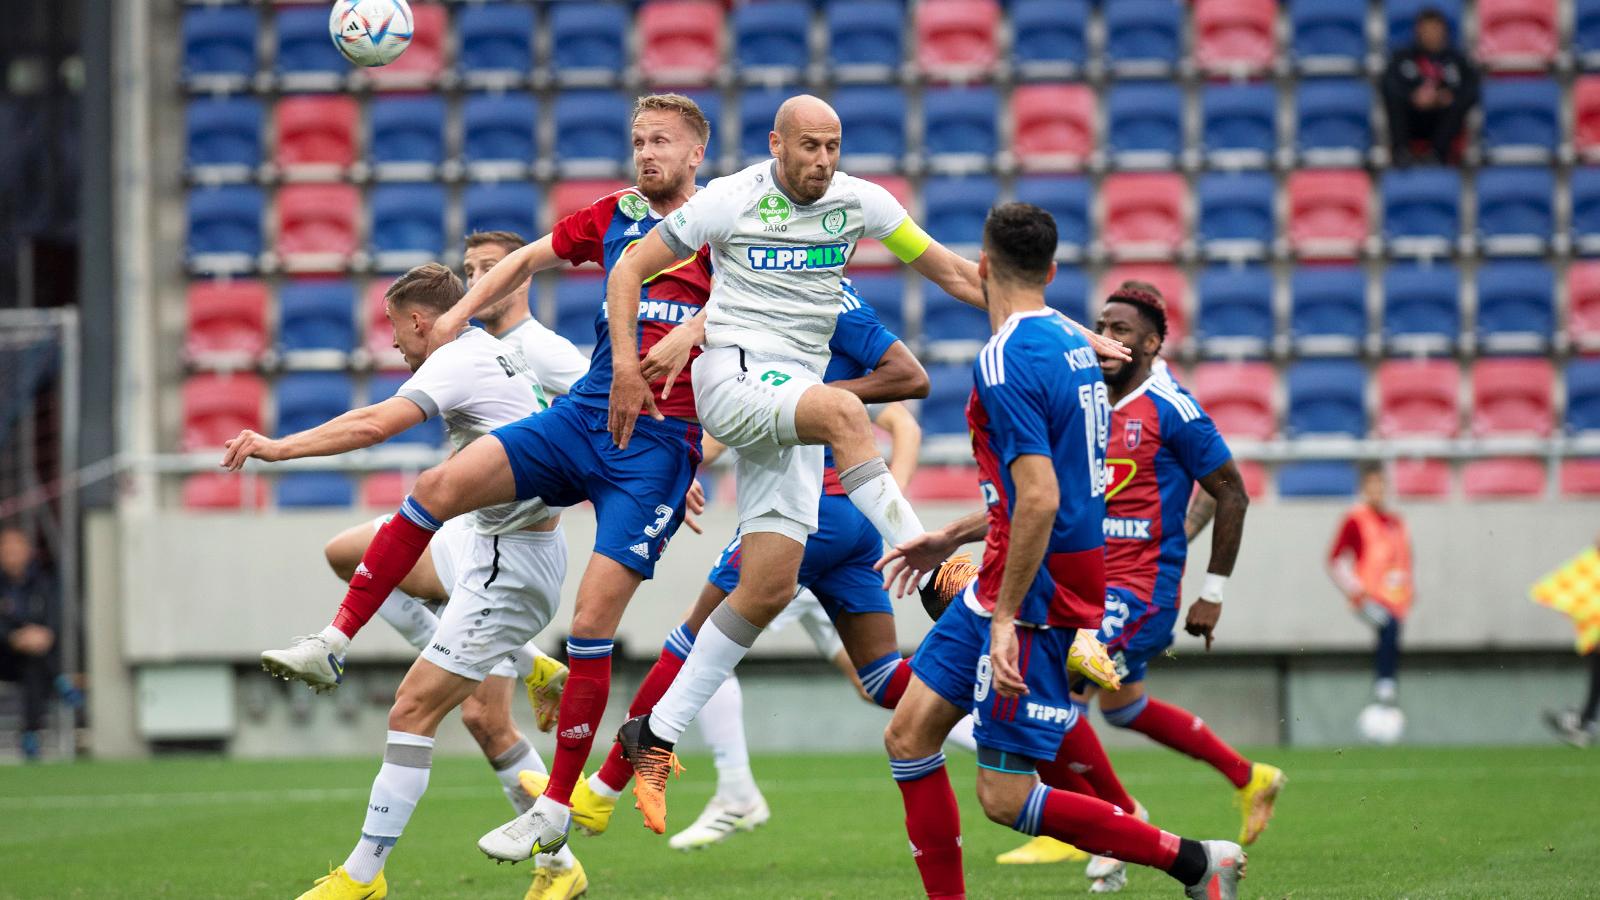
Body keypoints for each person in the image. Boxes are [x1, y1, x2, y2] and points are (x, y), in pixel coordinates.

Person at [607, 94, 1126, 837]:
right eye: (809, 146)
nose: (823, 160)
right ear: (776, 145)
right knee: (847, 413)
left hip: (790, 399)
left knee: (765, 587)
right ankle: (943, 575)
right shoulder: (730, 201)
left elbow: (957, 274)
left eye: (833, 146)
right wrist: (628, 368)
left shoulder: (861, 203)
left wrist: (1072, 330)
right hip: (732, 377)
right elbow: (630, 269)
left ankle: (655, 734)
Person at [282, 94, 716, 871]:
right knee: (438, 487)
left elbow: (765, 311)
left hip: (653, 449)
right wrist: (460, 314)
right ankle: (334, 641)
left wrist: (695, 331)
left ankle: (553, 809)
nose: (647, 153)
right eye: (638, 139)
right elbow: (527, 259)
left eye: (663, 142)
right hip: (586, 419)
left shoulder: (724, 222)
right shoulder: (615, 213)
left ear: (695, 156)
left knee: (590, 626)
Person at [875, 203, 1245, 900]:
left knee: (1006, 798)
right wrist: (950, 539)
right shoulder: (1076, 346)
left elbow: (1041, 498)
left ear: (985, 268)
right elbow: (1046, 490)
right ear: (1050, 271)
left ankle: (1195, 862)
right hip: (1008, 577)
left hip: (1035, 595)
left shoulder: (1006, 357)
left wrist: (1008, 618)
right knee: (909, 736)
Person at [507, 283, 957, 856]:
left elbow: (895, 387)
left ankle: (603, 789)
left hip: (798, 516)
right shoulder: (824, 301)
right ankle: (1000, 693)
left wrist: (802, 400)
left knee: (692, 641)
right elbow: (750, 413)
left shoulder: (772, 301)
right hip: (855, 519)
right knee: (882, 678)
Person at [225, 263, 587, 900]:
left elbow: (371, 426)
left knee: (415, 708)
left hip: (507, 563)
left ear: (420, 321)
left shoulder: (455, 361)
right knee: (350, 553)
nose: (392, 342)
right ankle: (528, 665)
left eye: (395, 327)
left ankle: (363, 876)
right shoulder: (490, 352)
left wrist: (277, 448)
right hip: (481, 537)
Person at [991, 281, 1284, 890]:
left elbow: (1230, 490)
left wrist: (1211, 590)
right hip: (1086, 582)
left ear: (1151, 344)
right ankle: (1247, 776)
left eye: (1121, 330)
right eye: (1103, 325)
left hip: (1138, 591)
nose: (1108, 337)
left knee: (1060, 685)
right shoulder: (1088, 397)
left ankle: (1107, 824)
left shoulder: (1170, 406)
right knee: (1122, 709)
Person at [1326, 462, 1413, 708]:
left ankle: (1385, 689)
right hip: (1368, 597)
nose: (1377, 490)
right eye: (1372, 485)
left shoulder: (1396, 522)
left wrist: (1407, 588)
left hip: (1394, 596)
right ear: (1363, 488)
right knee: (1389, 627)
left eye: (1381, 485)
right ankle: (1385, 685)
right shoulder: (1356, 520)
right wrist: (1355, 589)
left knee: (1391, 632)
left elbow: (1402, 559)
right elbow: (1335, 560)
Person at [0, 525, 78, 761]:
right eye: (7, 548)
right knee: (37, 660)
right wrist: (14, 638)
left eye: (17, 547)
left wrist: (42, 635)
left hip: (33, 658)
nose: (12, 553)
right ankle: (60, 680)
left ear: (27, 551)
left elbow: (54, 619)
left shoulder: (42, 583)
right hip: (5, 655)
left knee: (35, 665)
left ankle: (30, 735)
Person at [1380, 7, 1479, 166]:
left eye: (1435, 29)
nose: (1431, 34)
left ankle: (1438, 155)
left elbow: (1472, 89)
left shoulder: (1458, 60)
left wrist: (1445, 97)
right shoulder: (1402, 58)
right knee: (1393, 98)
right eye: (1426, 30)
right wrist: (1412, 96)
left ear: (1444, 31)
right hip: (1412, 118)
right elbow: (1388, 85)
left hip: (1443, 120)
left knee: (1459, 103)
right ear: (1418, 31)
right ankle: (1401, 153)